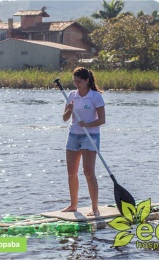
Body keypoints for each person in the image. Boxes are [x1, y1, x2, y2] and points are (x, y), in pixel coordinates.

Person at [61, 67, 105, 216]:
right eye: (74, 81)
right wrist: (69, 109)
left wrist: (88, 124)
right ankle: (73, 205)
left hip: (90, 136)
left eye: (79, 81)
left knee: (88, 172)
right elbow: (65, 118)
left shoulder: (95, 97)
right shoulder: (72, 95)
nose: (76, 84)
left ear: (87, 80)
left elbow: (102, 120)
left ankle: (95, 208)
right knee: (71, 172)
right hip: (73, 135)